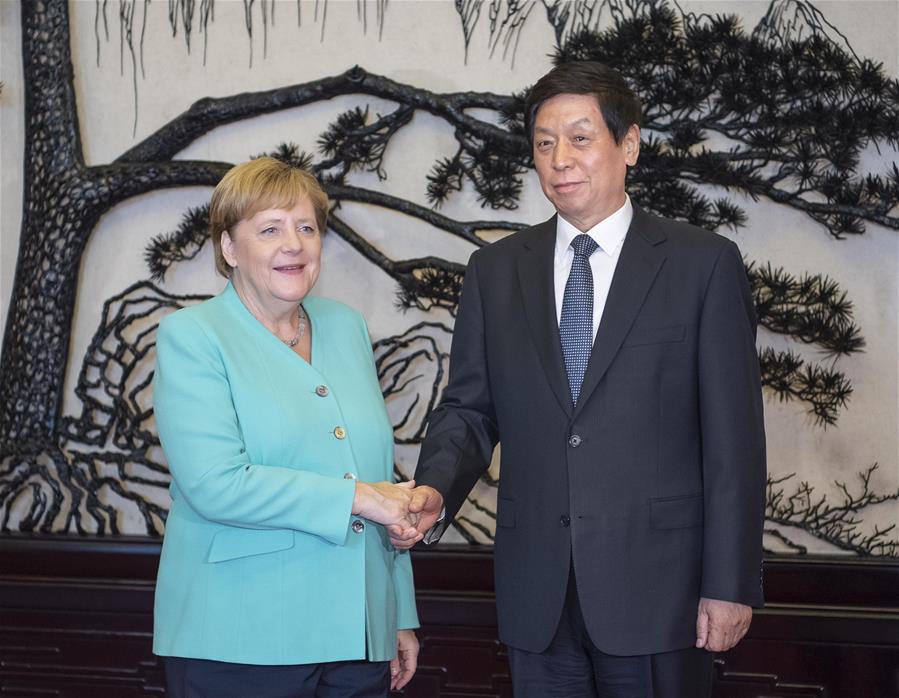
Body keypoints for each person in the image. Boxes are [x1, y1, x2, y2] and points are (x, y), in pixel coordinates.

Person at [393, 61, 767, 697]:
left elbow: (734, 441)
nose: (559, 158)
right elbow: (469, 411)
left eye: (580, 137)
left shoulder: (703, 265)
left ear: (629, 144)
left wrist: (730, 584)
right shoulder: (495, 269)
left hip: (661, 592)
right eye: (544, 142)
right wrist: (432, 488)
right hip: (536, 592)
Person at [153, 156, 420, 697]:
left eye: (306, 228)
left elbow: (377, 477)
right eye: (269, 229)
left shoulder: (346, 327)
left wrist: (398, 611)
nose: (293, 244)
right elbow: (216, 485)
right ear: (229, 248)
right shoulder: (191, 336)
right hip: (238, 637)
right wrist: (358, 498)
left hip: (358, 634)